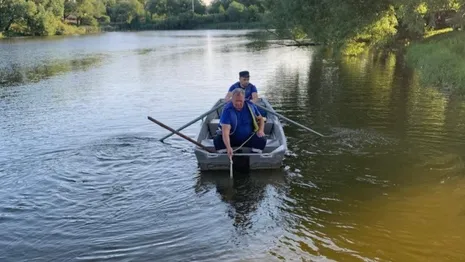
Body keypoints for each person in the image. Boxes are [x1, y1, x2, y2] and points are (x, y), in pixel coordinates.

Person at [214, 88, 266, 159]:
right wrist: (228, 147)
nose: (238, 103)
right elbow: (225, 132)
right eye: (236, 101)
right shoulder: (227, 110)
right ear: (232, 99)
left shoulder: (251, 106)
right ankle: (226, 156)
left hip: (248, 138)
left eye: (240, 101)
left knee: (261, 139)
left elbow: (261, 119)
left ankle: (253, 157)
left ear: (244, 99)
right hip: (232, 138)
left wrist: (261, 130)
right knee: (217, 140)